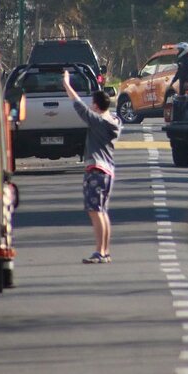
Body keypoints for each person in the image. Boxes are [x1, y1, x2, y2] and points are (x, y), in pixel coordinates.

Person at [63, 70, 121, 264]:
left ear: (96, 106)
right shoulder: (113, 121)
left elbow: (77, 104)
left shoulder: (97, 121)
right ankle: (105, 251)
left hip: (96, 170)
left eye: (92, 104)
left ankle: (100, 251)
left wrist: (66, 84)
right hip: (108, 171)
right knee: (102, 211)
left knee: (95, 211)